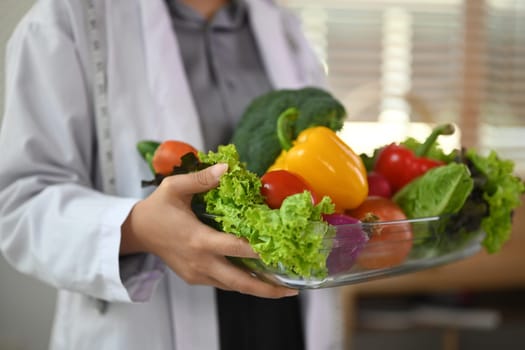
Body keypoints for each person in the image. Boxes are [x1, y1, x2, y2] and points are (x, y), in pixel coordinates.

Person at [0, 0, 344, 349]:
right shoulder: (68, 19)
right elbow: (21, 201)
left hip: (285, 320)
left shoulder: (282, 25)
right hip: (146, 326)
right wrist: (136, 228)